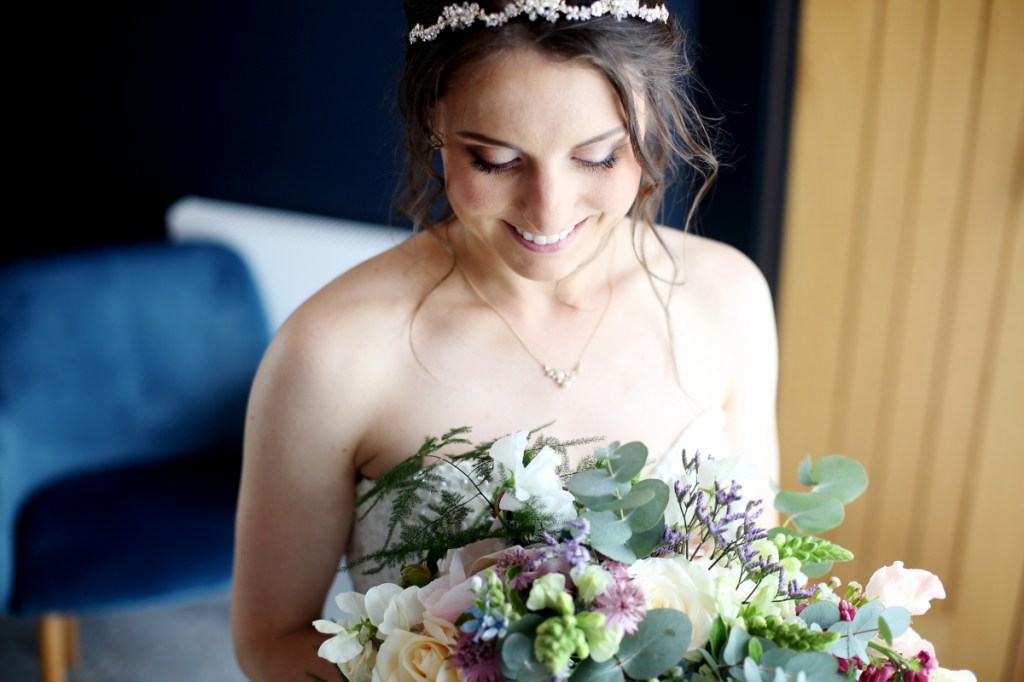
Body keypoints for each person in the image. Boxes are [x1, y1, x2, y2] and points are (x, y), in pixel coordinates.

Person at [230, 1, 780, 679]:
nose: (548, 210)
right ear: (434, 123)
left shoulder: (729, 297)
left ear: (652, 122)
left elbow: (762, 583)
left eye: (598, 156)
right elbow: (270, 641)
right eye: (494, 160)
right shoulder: (330, 351)